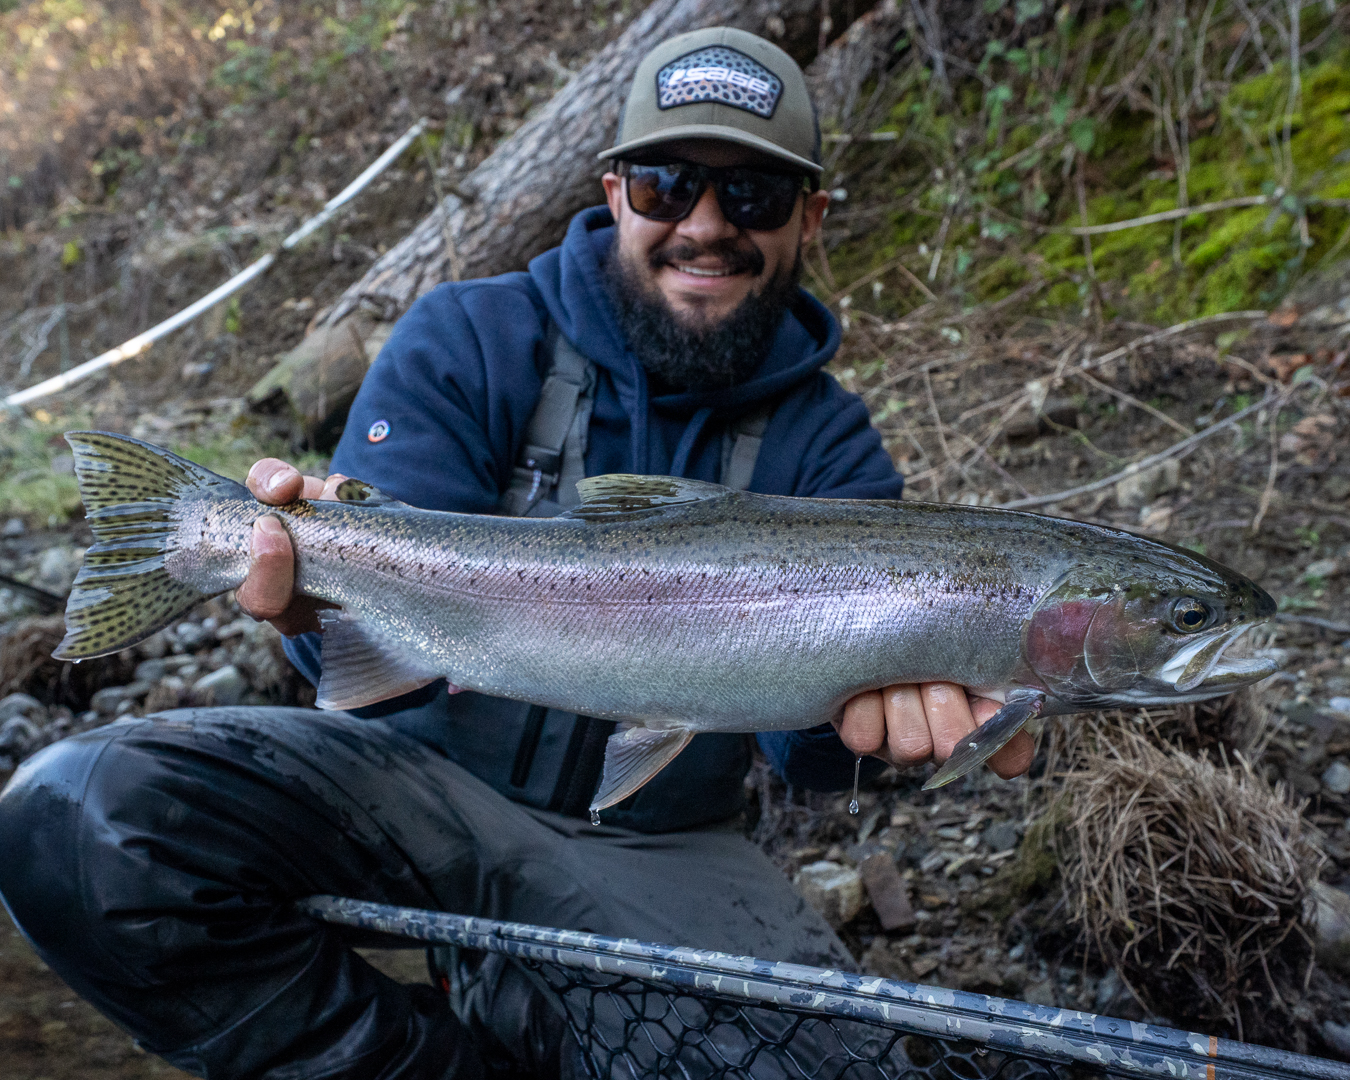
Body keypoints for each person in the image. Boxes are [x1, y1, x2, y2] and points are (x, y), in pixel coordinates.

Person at [0, 27, 1032, 1080]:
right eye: (669, 185)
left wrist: (877, 730)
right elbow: (348, 661)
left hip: (660, 846)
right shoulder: (473, 338)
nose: (706, 225)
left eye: (754, 196)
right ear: (615, 192)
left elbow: (806, 756)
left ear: (810, 217)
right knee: (83, 821)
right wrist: (312, 600)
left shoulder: (834, 447)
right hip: (417, 797)